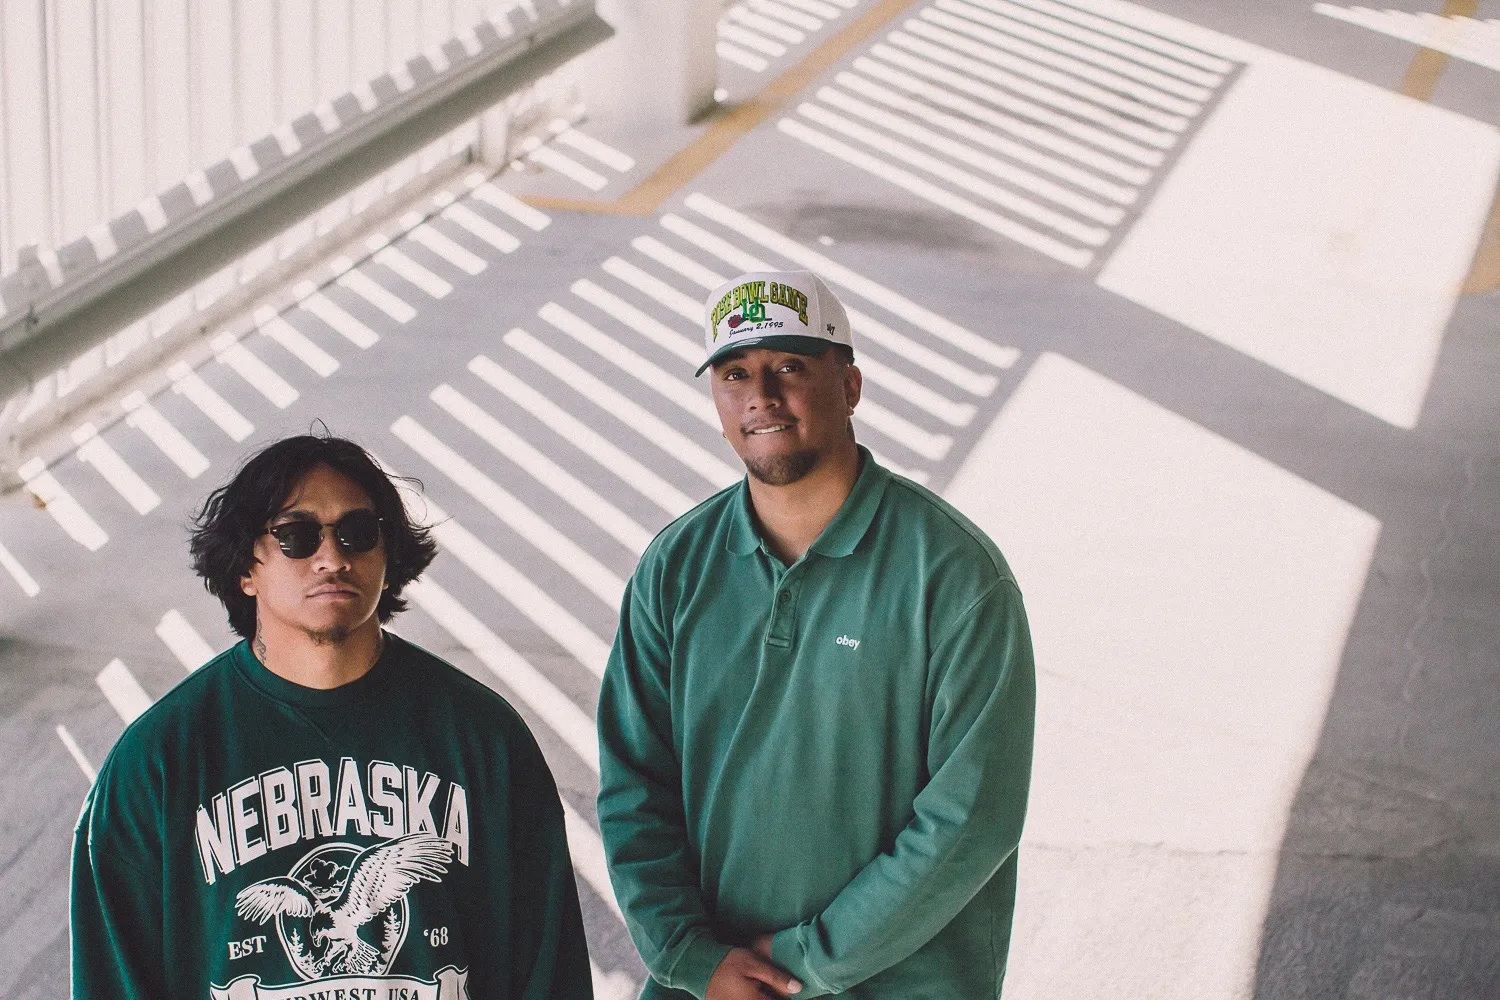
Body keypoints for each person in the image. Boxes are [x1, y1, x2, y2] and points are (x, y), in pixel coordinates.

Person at [596, 269, 1037, 999]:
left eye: (790, 367)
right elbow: (632, 783)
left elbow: (972, 816)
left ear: (851, 386)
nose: (761, 397)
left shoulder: (955, 574)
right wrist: (688, 953)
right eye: (735, 373)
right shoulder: (675, 567)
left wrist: (808, 961)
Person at [70, 434, 593, 1000]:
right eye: (296, 536)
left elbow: (549, 967)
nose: (333, 557)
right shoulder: (155, 763)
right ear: (246, 567)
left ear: (387, 555)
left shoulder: (485, 740)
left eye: (358, 533)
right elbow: (112, 979)